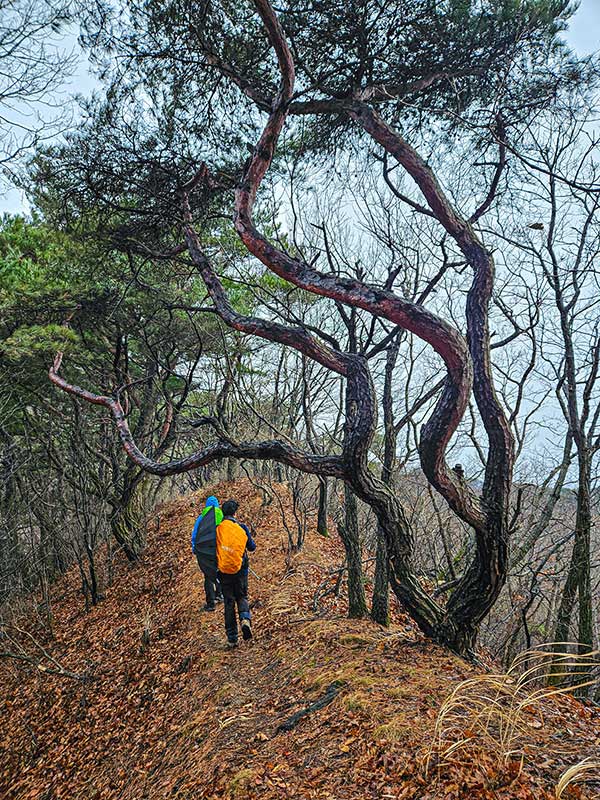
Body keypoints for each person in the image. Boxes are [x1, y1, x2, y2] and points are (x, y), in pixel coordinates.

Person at [216, 499, 256, 648]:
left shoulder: (218, 529)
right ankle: (245, 620)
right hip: (241, 570)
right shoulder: (242, 528)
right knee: (242, 596)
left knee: (229, 602)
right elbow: (252, 547)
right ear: (234, 513)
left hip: (223, 571)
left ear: (223, 513)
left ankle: (232, 638)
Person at [191, 495, 224, 612]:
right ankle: (220, 594)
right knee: (219, 570)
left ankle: (210, 603)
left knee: (208, 574)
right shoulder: (222, 516)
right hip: (219, 548)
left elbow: (195, 534)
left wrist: (194, 547)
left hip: (205, 551)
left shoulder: (202, 518)